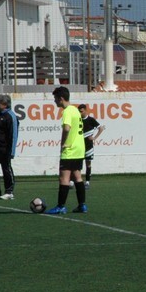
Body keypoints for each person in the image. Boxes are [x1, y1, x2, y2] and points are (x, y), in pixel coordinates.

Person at [45, 86, 88, 214]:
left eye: (55, 98)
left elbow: (67, 128)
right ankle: (82, 205)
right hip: (79, 149)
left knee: (64, 178)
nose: (54, 101)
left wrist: (63, 143)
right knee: (77, 177)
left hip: (70, 149)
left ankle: (60, 206)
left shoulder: (67, 111)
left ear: (61, 98)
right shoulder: (75, 110)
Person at [79, 104, 105, 188]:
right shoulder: (78, 120)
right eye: (79, 111)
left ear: (85, 110)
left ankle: (87, 182)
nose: (80, 113)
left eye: (81, 111)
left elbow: (100, 128)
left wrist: (94, 138)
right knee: (78, 164)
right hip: (79, 146)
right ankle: (77, 182)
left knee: (88, 164)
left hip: (89, 146)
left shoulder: (91, 120)